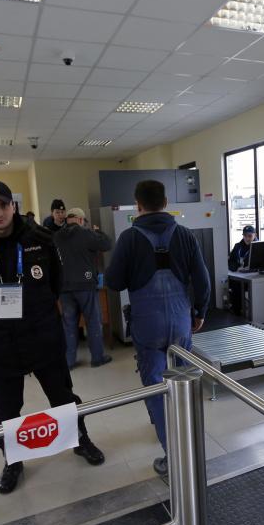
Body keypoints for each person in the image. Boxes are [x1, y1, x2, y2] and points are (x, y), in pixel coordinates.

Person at [0, 181, 105, 494]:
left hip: (42, 336)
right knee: (5, 410)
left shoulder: (40, 240)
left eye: (3, 205)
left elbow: (55, 284)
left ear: (13, 206)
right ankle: (13, 460)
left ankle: (81, 440)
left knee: (63, 397)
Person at [105, 180, 211, 476]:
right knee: (184, 382)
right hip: (181, 321)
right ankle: (191, 445)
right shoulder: (186, 235)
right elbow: (202, 280)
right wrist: (200, 312)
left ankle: (173, 456)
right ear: (165, 202)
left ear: (137, 205)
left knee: (155, 388)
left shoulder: (129, 238)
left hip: (147, 325)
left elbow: (113, 281)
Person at [53, 207, 113, 369]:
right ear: (80, 220)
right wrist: (98, 232)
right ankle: (97, 358)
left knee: (69, 325)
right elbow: (107, 244)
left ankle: (69, 361)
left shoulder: (56, 236)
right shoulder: (86, 234)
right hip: (86, 285)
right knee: (93, 321)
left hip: (64, 288)